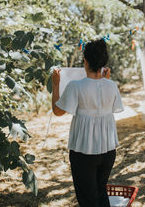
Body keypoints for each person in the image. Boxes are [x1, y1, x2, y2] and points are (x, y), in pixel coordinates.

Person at [51, 38, 124, 207]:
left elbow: (57, 111)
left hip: (83, 152)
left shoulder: (76, 86)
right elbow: (105, 104)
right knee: (101, 192)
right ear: (103, 62)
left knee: (88, 199)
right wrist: (105, 80)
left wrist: (56, 84)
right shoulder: (111, 85)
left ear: (85, 60)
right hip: (108, 150)